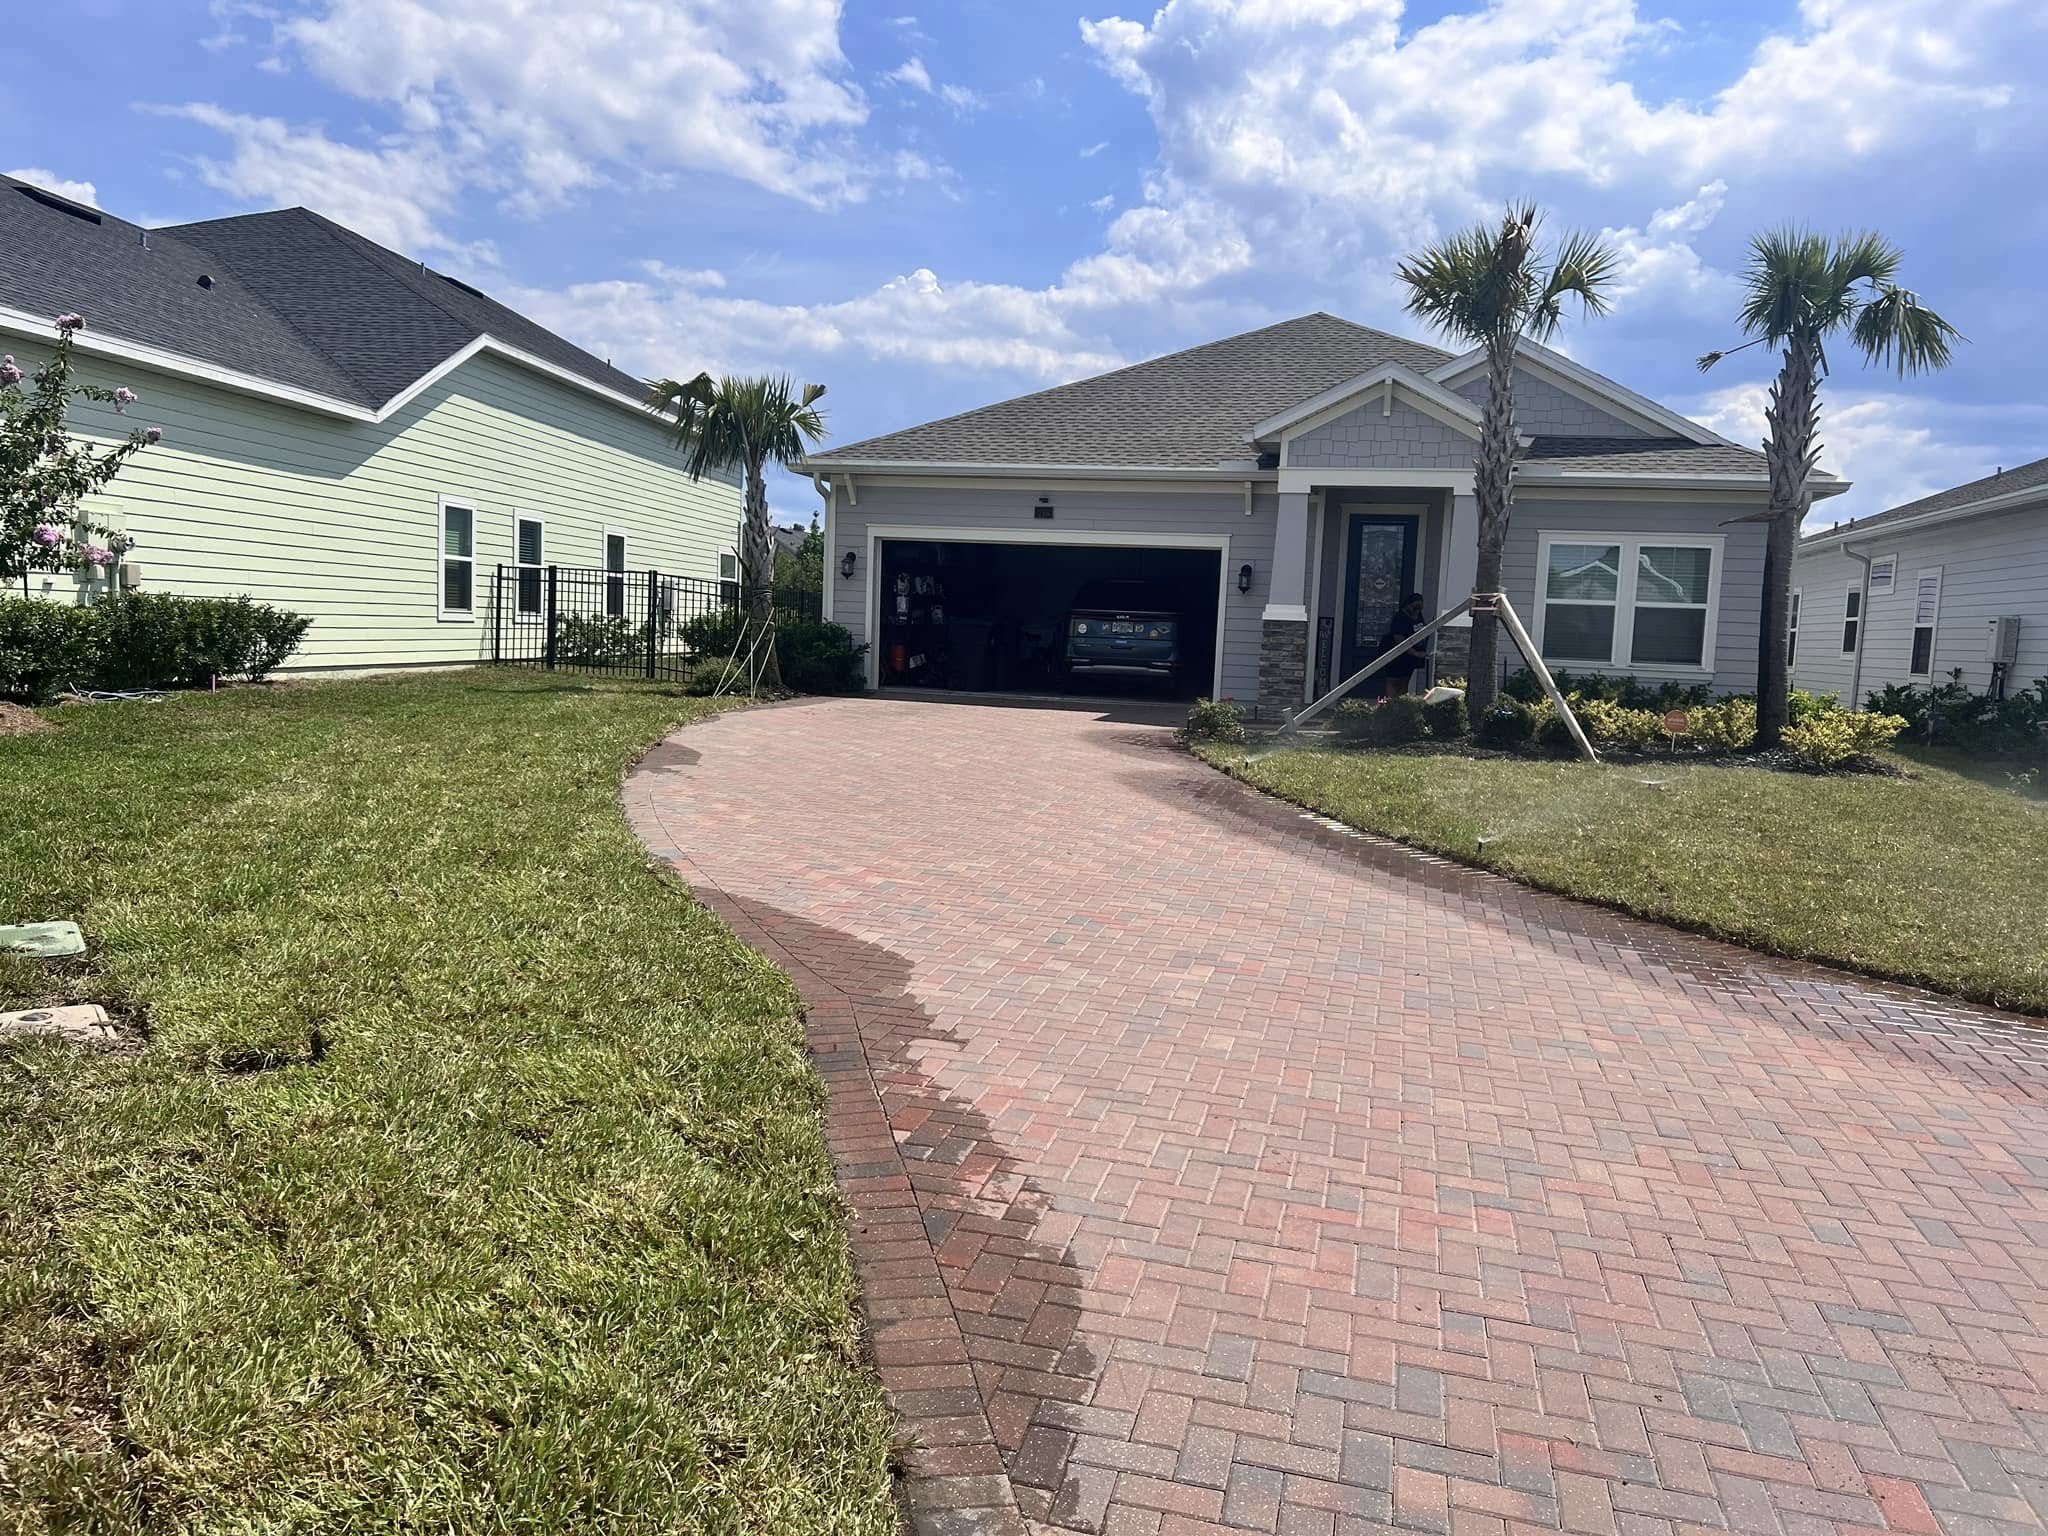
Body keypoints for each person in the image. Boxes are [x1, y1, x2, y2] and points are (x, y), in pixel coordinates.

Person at [1375, 593, 1430, 696]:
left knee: (1404, 682)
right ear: (1408, 605)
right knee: (1393, 681)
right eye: (1415, 607)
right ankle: (1391, 704)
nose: (1417, 610)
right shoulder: (1400, 617)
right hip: (1396, 654)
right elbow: (1399, 639)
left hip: (1409, 658)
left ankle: (1401, 705)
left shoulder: (1418, 616)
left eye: (1420, 608)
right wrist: (1415, 653)